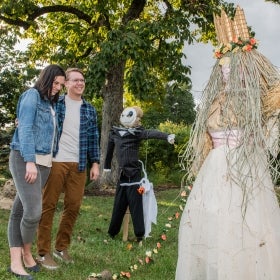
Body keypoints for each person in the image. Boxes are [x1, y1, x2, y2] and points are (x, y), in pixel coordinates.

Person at [176, 6, 280, 279]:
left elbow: (269, 132)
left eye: (230, 68)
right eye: (222, 68)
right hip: (214, 170)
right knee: (211, 222)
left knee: (244, 224)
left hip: (244, 172)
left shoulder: (253, 102)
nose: (225, 73)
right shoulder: (214, 102)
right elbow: (206, 140)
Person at [36, 68, 100, 270]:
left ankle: (61, 248)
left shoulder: (90, 109)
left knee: (73, 207)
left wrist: (95, 163)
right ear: (66, 84)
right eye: (75, 80)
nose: (80, 83)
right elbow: (40, 120)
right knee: (49, 206)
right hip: (55, 161)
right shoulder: (56, 103)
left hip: (79, 163)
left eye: (82, 80)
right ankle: (43, 252)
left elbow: (93, 139)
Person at [7, 65, 66, 279]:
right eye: (55, 83)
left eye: (61, 85)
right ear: (46, 78)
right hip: (26, 159)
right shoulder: (32, 95)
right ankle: (23, 255)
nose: (57, 88)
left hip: (45, 163)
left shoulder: (52, 103)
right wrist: (30, 161)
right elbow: (25, 129)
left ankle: (20, 259)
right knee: (33, 212)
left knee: (19, 212)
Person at [104, 106, 175, 243]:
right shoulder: (115, 133)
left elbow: (152, 133)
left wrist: (166, 136)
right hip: (122, 176)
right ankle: (112, 232)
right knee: (119, 205)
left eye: (139, 118)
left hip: (135, 176)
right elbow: (109, 151)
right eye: (137, 118)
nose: (139, 121)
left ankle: (139, 234)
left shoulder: (137, 133)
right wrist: (106, 166)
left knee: (136, 206)